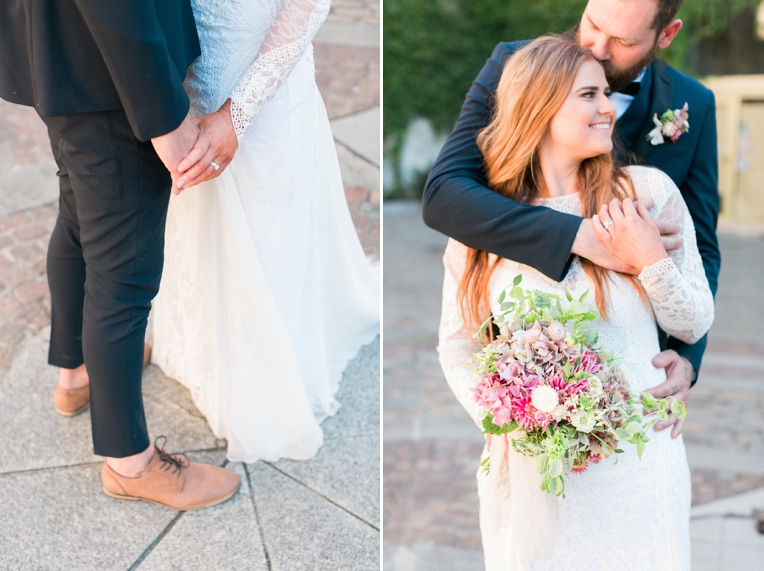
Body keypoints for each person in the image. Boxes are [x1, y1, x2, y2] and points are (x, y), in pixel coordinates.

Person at [438, 36, 713, 569]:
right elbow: (458, 344)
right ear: (538, 105)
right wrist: (510, 420)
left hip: (638, 459)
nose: (608, 108)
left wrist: (650, 259)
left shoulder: (646, 191)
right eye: (589, 94)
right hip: (533, 465)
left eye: (606, 93)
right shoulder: (481, 220)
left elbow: (695, 319)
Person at [424, 0, 720, 437]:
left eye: (622, 41)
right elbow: (445, 194)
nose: (597, 47)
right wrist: (581, 235)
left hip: (635, 373)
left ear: (666, 35)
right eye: (592, 24)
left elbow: (702, 243)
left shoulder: (692, 103)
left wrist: (687, 356)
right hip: (533, 361)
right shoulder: (517, 64)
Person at [0, 1, 240, 508]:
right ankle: (130, 462)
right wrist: (164, 120)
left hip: (59, 54)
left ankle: (77, 372)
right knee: (124, 274)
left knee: (79, 220)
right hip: (115, 76)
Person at [148, 0, 380, 463]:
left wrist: (238, 113)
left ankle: (265, 377)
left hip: (265, 85)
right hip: (187, 79)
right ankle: (204, 353)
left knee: (269, 235)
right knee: (194, 222)